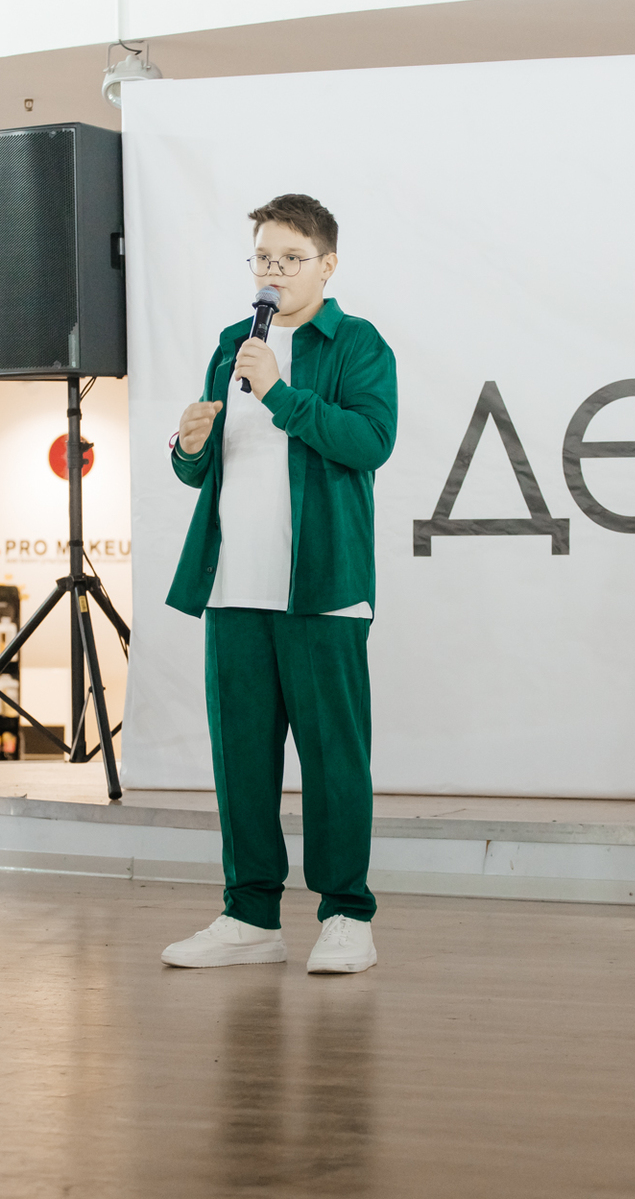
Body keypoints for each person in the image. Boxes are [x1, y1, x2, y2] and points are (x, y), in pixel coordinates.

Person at [159, 194, 398, 975]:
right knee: (242, 763)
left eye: (291, 259)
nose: (274, 272)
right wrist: (188, 445)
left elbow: (369, 442)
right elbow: (202, 470)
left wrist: (281, 394)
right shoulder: (234, 344)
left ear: (328, 266)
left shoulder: (357, 344)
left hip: (322, 588)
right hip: (233, 587)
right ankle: (250, 915)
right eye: (263, 257)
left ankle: (346, 914)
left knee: (334, 760)